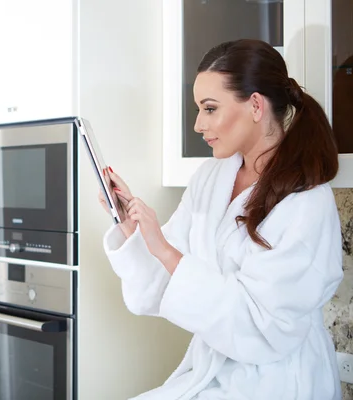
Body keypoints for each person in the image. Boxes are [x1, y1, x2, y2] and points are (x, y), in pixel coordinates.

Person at [99, 39, 343, 399]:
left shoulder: (306, 201)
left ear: (256, 105)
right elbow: (157, 287)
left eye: (210, 109)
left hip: (278, 381)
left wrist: (164, 250)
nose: (198, 124)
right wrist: (134, 229)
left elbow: (264, 329)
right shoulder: (211, 179)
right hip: (214, 371)